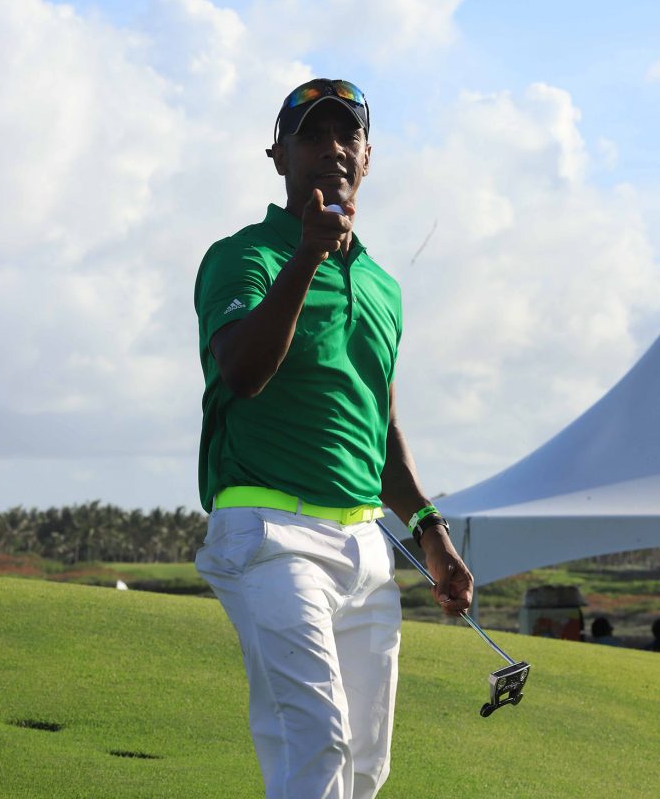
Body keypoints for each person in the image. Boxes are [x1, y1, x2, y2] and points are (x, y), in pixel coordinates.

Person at [194, 78, 473, 799]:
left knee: (365, 767)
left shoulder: (382, 285)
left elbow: (380, 424)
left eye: (347, 135)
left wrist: (428, 527)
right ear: (279, 157)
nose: (332, 149)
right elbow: (243, 372)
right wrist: (307, 258)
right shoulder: (244, 257)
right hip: (269, 532)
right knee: (316, 742)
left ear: (367, 157)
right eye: (311, 136)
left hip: (366, 545)